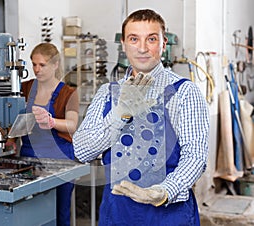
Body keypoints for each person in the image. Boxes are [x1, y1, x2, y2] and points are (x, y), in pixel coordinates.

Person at [73, 9, 209, 226]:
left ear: (164, 44)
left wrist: (164, 191)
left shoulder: (184, 92)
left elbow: (195, 156)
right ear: (124, 45)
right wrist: (120, 115)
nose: (143, 48)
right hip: (117, 212)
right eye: (134, 39)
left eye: (152, 39)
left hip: (168, 215)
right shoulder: (107, 93)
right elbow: (81, 150)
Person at [20, 42, 79, 226]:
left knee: (60, 213)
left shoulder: (68, 93)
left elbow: (72, 125)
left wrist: (51, 121)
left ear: (55, 65)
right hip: (29, 157)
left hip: (60, 158)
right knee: (31, 212)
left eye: (42, 65)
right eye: (34, 64)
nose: (37, 70)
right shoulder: (25, 88)